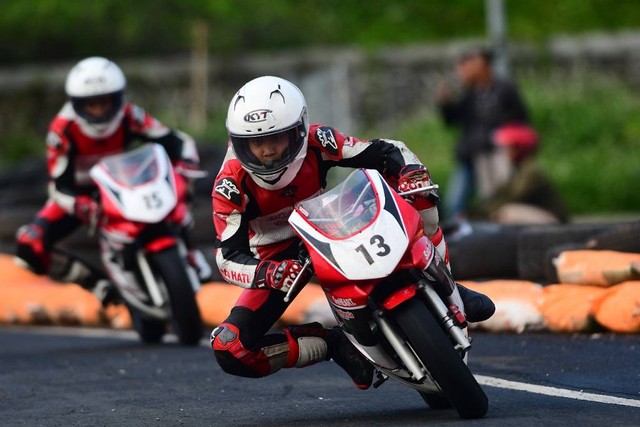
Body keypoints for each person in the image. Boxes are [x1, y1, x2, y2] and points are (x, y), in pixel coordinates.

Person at [210, 75, 495, 390]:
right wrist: (268, 273)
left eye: (276, 139)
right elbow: (227, 256)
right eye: (254, 142)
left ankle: (448, 284)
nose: (266, 152)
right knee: (230, 348)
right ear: (237, 141)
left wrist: (409, 173)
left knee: (420, 192)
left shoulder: (319, 141)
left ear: (299, 130)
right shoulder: (229, 185)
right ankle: (332, 344)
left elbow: (387, 151)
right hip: (281, 260)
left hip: (331, 223)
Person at [14, 56, 211, 305]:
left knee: (182, 182)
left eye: (105, 102)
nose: (99, 112)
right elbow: (58, 186)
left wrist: (187, 164)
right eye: (90, 105)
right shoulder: (62, 131)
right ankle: (95, 283)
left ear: (118, 98)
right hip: (81, 195)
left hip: (125, 183)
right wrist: (80, 204)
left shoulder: (130, 115)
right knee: (29, 245)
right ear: (76, 104)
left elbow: (179, 141)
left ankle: (189, 252)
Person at [437, 47, 530, 222]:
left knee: (494, 200)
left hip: (494, 155)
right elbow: (452, 120)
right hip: (470, 155)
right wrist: (445, 103)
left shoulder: (504, 90)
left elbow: (520, 121)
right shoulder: (471, 93)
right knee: (455, 202)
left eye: (474, 62)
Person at [469, 123, 569, 224]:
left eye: (507, 148)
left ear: (519, 148)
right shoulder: (519, 168)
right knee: (502, 211)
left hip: (553, 219)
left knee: (506, 211)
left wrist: (481, 213)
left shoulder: (531, 171)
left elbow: (513, 196)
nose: (503, 152)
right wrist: (476, 211)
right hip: (540, 215)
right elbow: (503, 193)